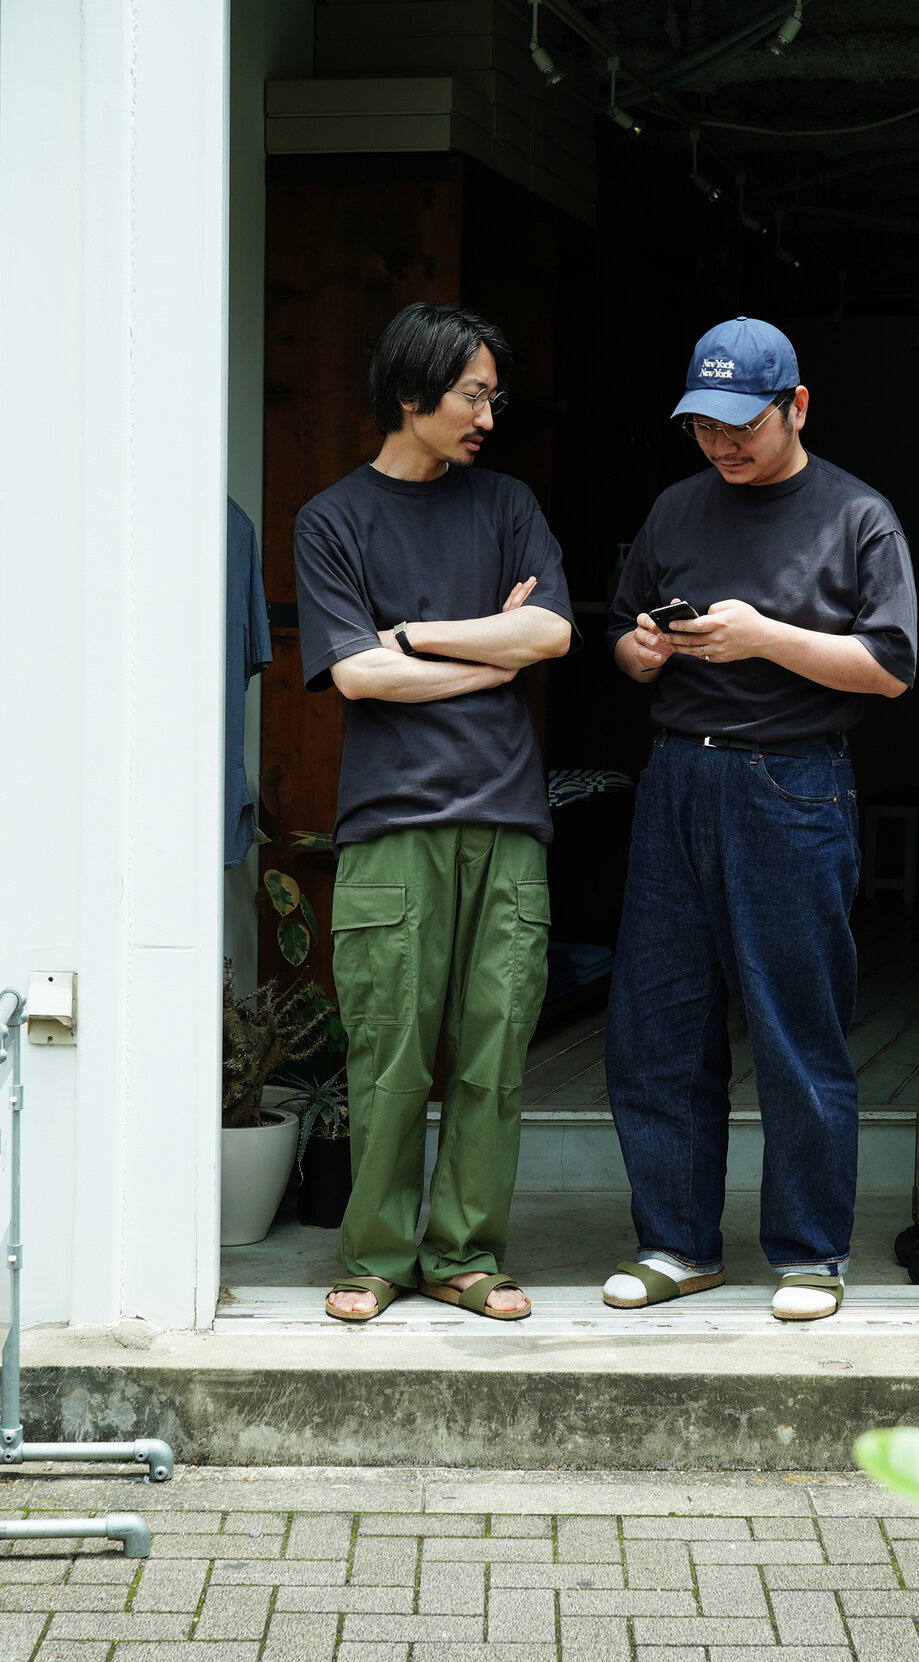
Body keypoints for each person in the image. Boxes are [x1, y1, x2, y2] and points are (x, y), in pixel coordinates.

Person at [600, 316, 917, 1322]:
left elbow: (891, 669)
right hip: (674, 783)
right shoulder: (674, 508)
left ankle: (811, 1253)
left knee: (795, 1028)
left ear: (797, 407)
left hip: (792, 786)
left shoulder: (857, 516)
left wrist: (764, 639)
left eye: (744, 426)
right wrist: (639, 653)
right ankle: (677, 1246)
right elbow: (622, 628)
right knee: (657, 1026)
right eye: (705, 427)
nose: (724, 445)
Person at [292, 302, 576, 1324]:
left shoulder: (505, 504)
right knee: (388, 1056)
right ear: (411, 395)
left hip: (507, 821)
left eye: (494, 397)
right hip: (390, 826)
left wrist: (413, 636)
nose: (488, 417)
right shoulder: (331, 520)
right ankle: (372, 1258)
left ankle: (465, 1256)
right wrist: (481, 659)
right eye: (472, 395)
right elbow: (358, 679)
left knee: (495, 1054)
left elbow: (546, 635)